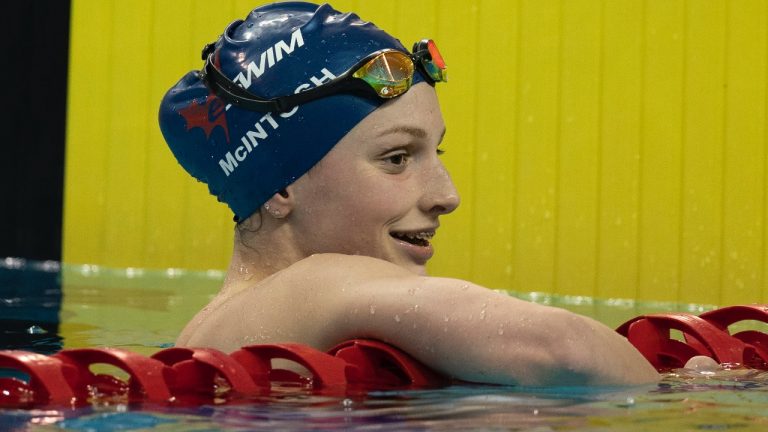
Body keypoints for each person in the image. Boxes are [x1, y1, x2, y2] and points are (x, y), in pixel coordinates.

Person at [158, 2, 658, 386]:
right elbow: (562, 349)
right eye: (397, 158)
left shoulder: (210, 330)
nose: (447, 195)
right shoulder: (318, 283)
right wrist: (689, 389)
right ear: (281, 185)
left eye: (436, 153)